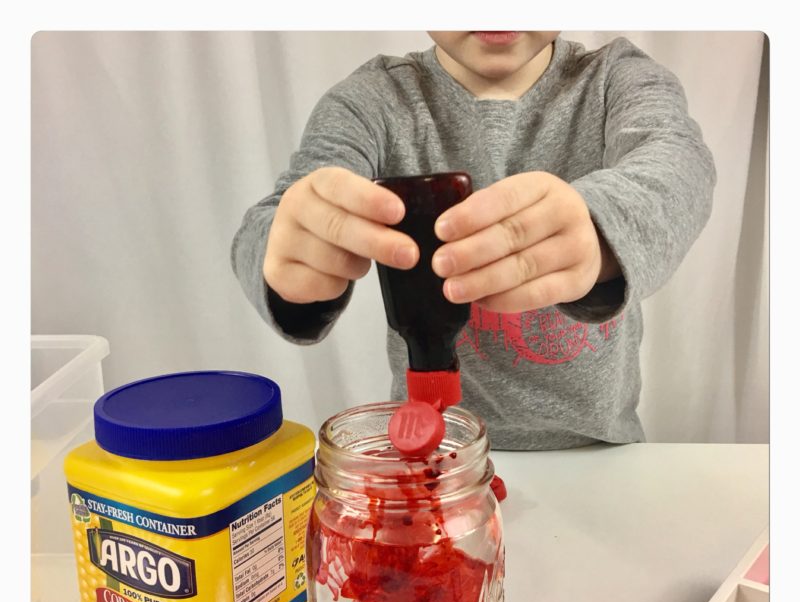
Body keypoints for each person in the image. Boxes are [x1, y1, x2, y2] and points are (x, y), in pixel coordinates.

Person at [230, 31, 716, 450]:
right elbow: (273, 217)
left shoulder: (618, 78)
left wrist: (599, 227)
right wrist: (289, 253)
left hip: (602, 453)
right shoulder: (371, 101)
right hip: (435, 452)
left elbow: (680, 164)